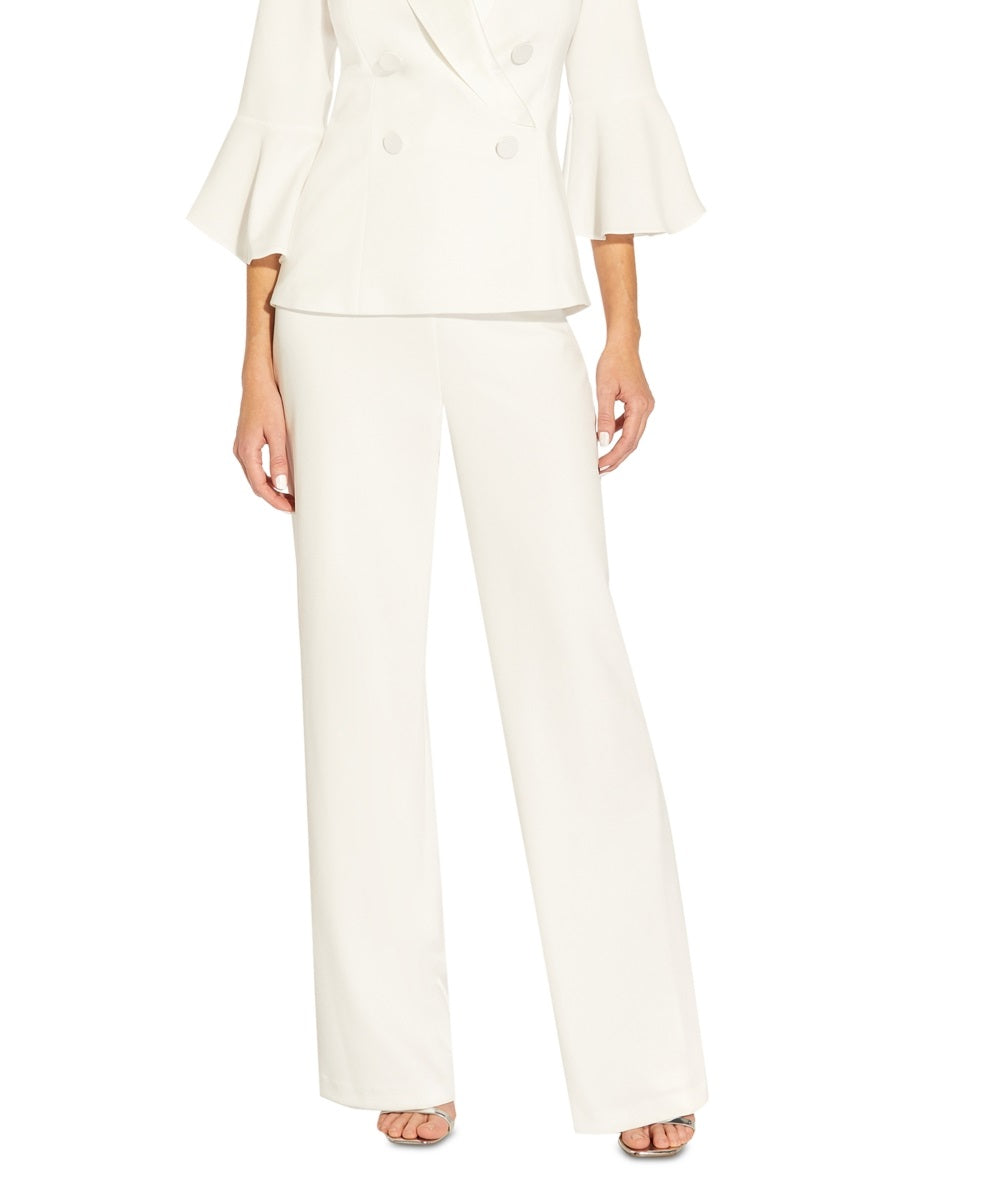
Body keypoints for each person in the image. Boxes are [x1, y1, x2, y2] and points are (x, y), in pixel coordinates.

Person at [187, 0, 709, 1157]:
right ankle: (394, 1055)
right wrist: (254, 365)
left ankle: (643, 1060)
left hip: (518, 299)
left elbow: (608, 120)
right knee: (358, 671)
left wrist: (625, 334)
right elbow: (283, 124)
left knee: (573, 663)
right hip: (340, 302)